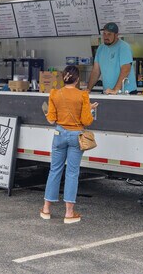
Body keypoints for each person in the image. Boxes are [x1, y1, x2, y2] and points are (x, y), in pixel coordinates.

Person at [41, 65, 98, 224]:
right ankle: (69, 213)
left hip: (59, 135)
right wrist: (90, 109)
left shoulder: (54, 94)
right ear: (78, 79)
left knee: (54, 170)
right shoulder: (83, 95)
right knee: (72, 172)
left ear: (63, 77)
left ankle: (46, 209)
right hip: (76, 136)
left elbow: (52, 119)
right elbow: (86, 120)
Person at [87, 22, 137, 94]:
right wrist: (88, 89)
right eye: (104, 33)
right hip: (108, 92)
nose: (106, 37)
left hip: (125, 92)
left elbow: (125, 70)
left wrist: (115, 90)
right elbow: (96, 71)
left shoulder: (124, 47)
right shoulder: (100, 48)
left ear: (116, 35)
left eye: (109, 34)